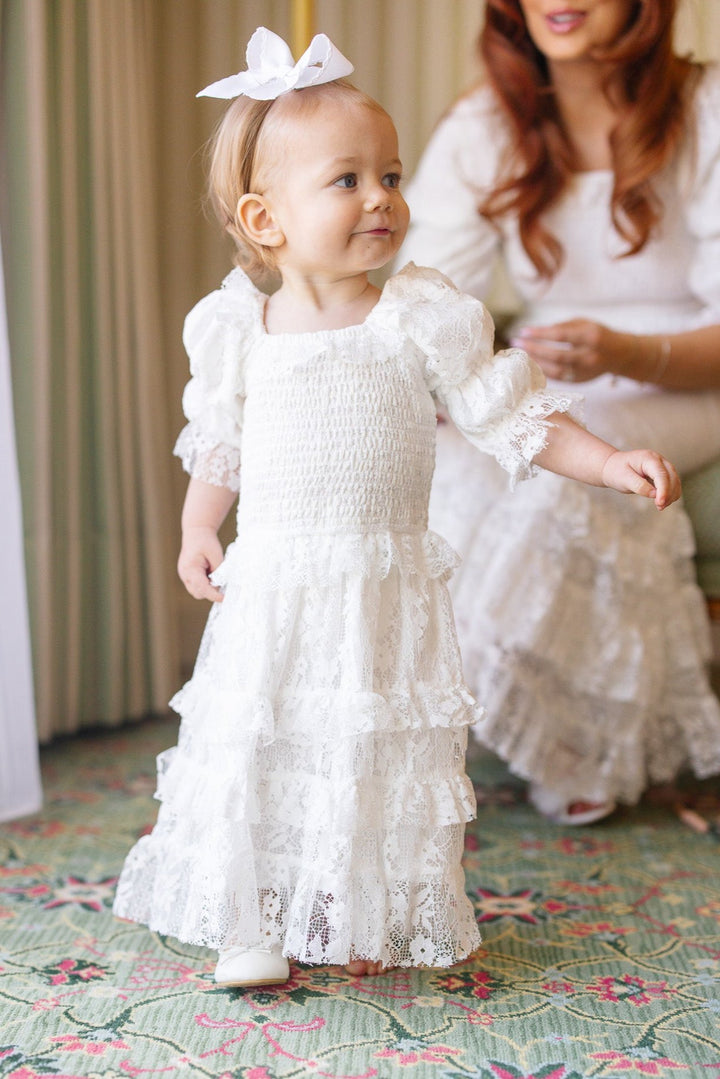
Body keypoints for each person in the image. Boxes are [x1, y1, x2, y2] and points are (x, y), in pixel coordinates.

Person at [112, 26, 681, 989]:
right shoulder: (236, 331)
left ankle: (360, 906)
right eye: (348, 181)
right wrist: (197, 524)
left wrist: (607, 458)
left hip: (382, 591)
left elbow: (515, 413)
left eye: (393, 175)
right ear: (265, 218)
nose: (382, 197)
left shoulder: (418, 315)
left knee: (370, 760)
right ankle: (250, 920)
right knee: (263, 745)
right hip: (278, 591)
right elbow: (221, 445)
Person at [400, 0, 720, 826]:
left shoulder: (706, 107)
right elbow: (427, 298)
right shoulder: (484, 125)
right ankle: (431, 712)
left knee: (571, 474)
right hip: (550, 372)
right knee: (470, 461)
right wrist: (440, 391)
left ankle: (570, 742)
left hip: (692, 380)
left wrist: (627, 353)